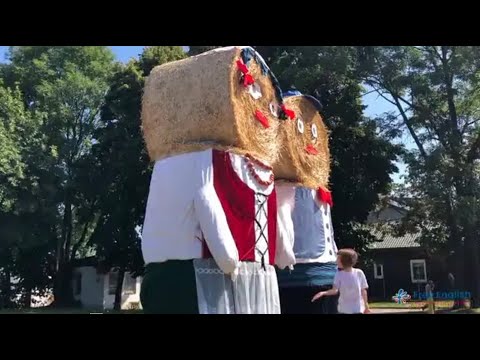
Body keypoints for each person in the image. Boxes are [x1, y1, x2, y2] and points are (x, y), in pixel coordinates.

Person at [311, 248, 370, 314]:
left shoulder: (359, 273)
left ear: (345, 261)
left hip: (357, 309)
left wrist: (366, 305)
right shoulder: (338, 274)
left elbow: (363, 291)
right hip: (343, 310)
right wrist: (323, 293)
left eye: (338, 259)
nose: (336, 261)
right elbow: (335, 290)